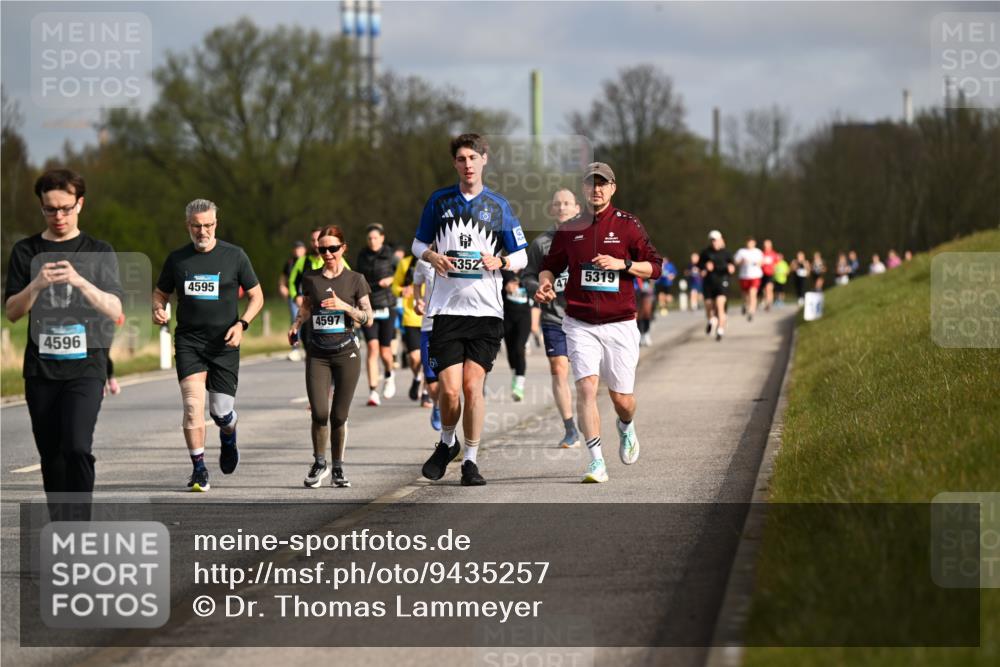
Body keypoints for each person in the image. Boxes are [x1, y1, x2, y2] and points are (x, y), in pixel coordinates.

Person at [5, 169, 124, 519]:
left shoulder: (98, 251)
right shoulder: (26, 251)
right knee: (52, 455)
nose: (58, 216)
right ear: (41, 207)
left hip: (86, 367)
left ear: (80, 204)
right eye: (50, 209)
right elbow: (12, 312)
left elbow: (116, 310)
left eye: (65, 208)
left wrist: (81, 282)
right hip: (41, 370)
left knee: (76, 447)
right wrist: (37, 285)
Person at [412, 133, 529, 487]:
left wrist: (502, 259)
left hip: (486, 314)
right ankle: (448, 443)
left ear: (484, 160)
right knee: (448, 392)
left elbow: (522, 254)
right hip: (446, 310)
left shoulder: (498, 206)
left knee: (472, 388)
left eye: (473, 158)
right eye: (461, 158)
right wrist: (432, 255)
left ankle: (471, 461)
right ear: (455, 163)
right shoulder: (439, 201)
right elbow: (418, 243)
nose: (467, 164)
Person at [535, 162, 662, 483]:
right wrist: (546, 282)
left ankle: (626, 426)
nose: (597, 189)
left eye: (603, 184)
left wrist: (623, 263)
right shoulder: (569, 229)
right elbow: (549, 265)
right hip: (579, 322)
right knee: (587, 388)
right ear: (583, 189)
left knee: (622, 399)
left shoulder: (628, 225)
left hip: (620, 322)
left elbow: (655, 266)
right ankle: (595, 462)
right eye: (591, 184)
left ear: (612, 188)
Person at [152, 199, 264, 492]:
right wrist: (157, 309)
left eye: (208, 225)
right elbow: (160, 293)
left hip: (225, 343)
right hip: (189, 341)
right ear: (188, 226)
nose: (203, 231)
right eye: (197, 226)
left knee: (221, 413)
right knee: (192, 407)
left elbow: (257, 297)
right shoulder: (178, 259)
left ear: (216, 224)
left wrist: (242, 325)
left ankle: (229, 436)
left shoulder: (234, 256)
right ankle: (199, 469)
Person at [289, 225, 372, 488]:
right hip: (318, 354)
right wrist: (296, 325)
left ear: (343, 248)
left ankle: (338, 468)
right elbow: (306, 308)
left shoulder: (355, 279)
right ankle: (319, 462)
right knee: (319, 412)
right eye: (322, 249)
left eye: (333, 248)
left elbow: (367, 318)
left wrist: (345, 306)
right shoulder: (311, 278)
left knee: (338, 416)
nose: (327, 253)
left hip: (347, 353)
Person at [522, 188, 582, 449]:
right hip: (554, 316)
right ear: (551, 210)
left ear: (577, 208)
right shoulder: (541, 244)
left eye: (567, 203)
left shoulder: (587, 238)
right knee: (559, 369)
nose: (562, 208)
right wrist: (536, 287)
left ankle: (591, 419)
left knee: (585, 376)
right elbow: (527, 276)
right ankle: (570, 428)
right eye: (557, 204)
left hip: (584, 316)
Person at [356, 223, 399, 406]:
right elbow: (357, 278)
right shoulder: (362, 256)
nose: (372, 241)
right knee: (372, 348)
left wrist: (391, 279)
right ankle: (373, 391)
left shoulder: (391, 256)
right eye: (369, 238)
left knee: (385, 351)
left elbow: (402, 275)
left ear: (382, 238)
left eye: (375, 238)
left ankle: (389, 375)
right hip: (369, 306)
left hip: (387, 305)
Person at [391, 251, 426, 403]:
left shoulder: (440, 260)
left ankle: (426, 391)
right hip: (411, 317)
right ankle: (417, 377)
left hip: (433, 319)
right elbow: (394, 286)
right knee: (414, 357)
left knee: (428, 358)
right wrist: (402, 290)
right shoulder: (405, 263)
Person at [412, 257, 441, 426]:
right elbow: (417, 283)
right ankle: (437, 405)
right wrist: (418, 301)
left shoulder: (460, 254)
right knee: (430, 375)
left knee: (448, 377)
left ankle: (446, 408)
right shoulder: (423, 262)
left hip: (452, 326)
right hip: (429, 326)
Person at [288, 230, 324, 361]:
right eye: (313, 240)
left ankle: (330, 379)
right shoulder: (303, 261)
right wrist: (296, 295)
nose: (316, 243)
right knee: (310, 348)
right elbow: (292, 281)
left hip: (328, 311)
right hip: (309, 310)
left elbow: (349, 279)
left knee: (328, 349)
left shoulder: (334, 258)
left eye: (318, 240)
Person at [699, 230, 735, 341]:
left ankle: (720, 330)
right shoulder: (705, 253)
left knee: (720, 305)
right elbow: (700, 267)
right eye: (712, 240)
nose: (714, 242)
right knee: (708, 306)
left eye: (716, 240)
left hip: (722, 282)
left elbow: (732, 267)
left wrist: (731, 268)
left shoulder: (727, 253)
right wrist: (705, 268)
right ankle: (711, 320)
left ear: (721, 240)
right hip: (709, 283)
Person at [502, 268, 532, 401]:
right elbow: (507, 286)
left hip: (524, 317)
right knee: (510, 351)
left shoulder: (527, 271)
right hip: (507, 316)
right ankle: (515, 373)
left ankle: (519, 384)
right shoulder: (503, 271)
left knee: (520, 348)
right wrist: (507, 283)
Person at [734, 236, 764, 322]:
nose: (750, 244)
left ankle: (751, 311)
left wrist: (758, 263)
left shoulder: (758, 252)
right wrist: (741, 262)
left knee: (752, 293)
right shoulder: (741, 252)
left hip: (755, 276)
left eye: (751, 242)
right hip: (744, 276)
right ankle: (744, 304)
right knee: (745, 294)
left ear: (754, 243)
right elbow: (735, 262)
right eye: (748, 242)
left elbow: (762, 262)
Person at [635, 276, 655, 346]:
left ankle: (646, 333)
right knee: (637, 316)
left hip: (646, 292)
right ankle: (640, 335)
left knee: (647, 313)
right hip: (635, 291)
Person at [760, 239, 778, 311]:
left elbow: (777, 264)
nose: (766, 246)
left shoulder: (774, 254)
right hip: (762, 274)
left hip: (770, 274)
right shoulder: (761, 254)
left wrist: (775, 270)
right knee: (764, 290)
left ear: (770, 245)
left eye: (767, 245)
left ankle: (769, 303)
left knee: (769, 289)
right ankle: (765, 300)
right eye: (765, 245)